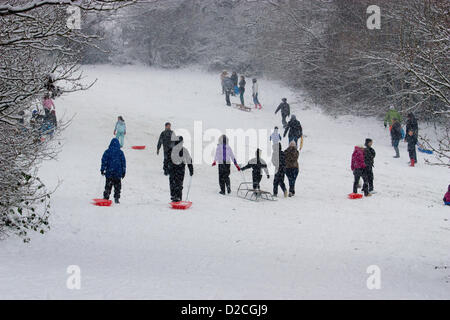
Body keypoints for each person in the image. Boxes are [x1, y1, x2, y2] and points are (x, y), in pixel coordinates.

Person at [168, 136, 193, 202]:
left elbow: (189, 159)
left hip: (175, 170)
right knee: (178, 184)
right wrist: (191, 169)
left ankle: (175, 196)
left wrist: (191, 169)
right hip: (179, 170)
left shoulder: (172, 149)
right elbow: (189, 160)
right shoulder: (183, 150)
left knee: (174, 183)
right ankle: (176, 197)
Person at [101, 138, 126, 204]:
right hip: (117, 173)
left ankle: (106, 197)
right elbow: (123, 163)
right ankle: (116, 198)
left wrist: (103, 169)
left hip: (109, 173)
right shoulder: (120, 153)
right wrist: (123, 172)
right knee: (117, 187)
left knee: (108, 186)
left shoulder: (107, 151)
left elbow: (104, 161)